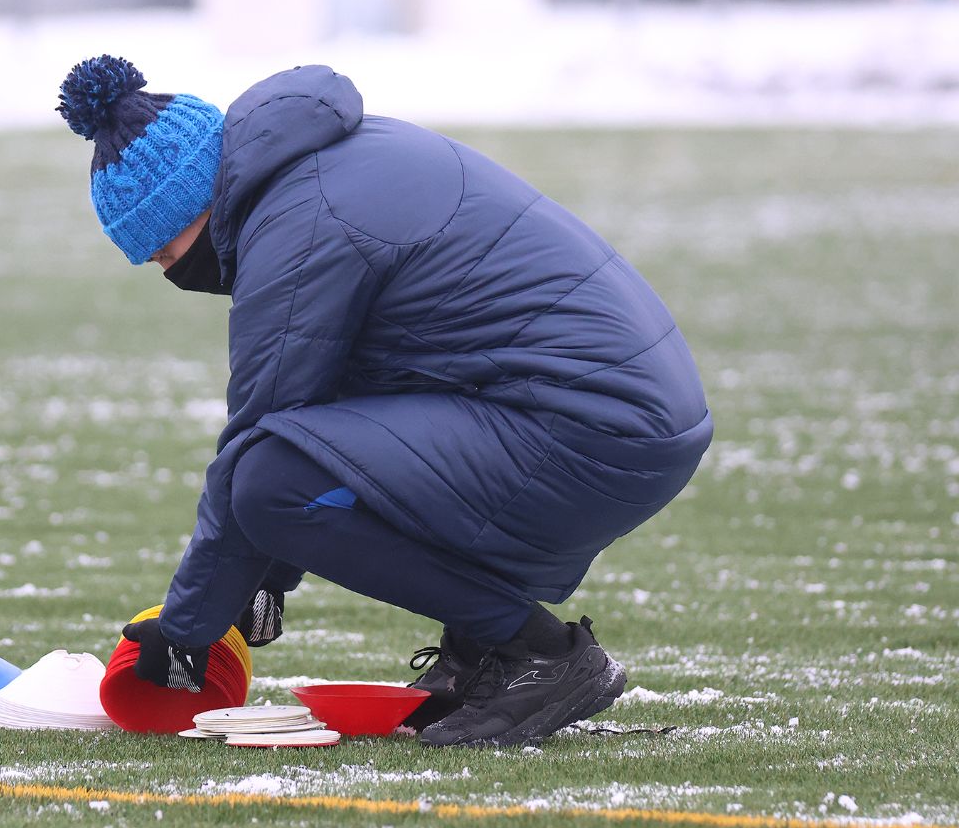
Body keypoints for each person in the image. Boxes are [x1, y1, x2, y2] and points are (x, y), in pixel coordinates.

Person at [57, 55, 712, 747]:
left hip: (592, 427)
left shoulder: (298, 222)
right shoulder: (324, 165)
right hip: (623, 413)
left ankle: (537, 654)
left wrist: (187, 629)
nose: (170, 272)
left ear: (192, 202)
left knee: (269, 483)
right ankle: (482, 651)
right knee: (304, 469)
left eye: (162, 253)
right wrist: (263, 578)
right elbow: (339, 414)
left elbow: (263, 436)